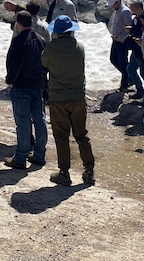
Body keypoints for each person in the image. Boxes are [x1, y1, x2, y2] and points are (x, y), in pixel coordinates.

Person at [41, 15, 95, 186]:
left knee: (61, 136)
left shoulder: (50, 49)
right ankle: (89, 170)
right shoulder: (80, 47)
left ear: (56, 32)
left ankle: (64, 172)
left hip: (58, 98)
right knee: (81, 135)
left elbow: (44, 64)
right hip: (78, 97)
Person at [3, 11, 47, 170]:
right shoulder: (40, 39)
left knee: (22, 122)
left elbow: (13, 63)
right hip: (38, 84)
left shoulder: (19, 40)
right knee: (40, 119)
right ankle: (39, 154)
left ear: (18, 23)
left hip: (22, 86)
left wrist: (10, 81)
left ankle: (20, 158)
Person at [107, 0, 134, 91]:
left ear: (118, 2)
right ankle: (130, 77)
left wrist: (121, 37)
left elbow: (129, 27)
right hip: (116, 39)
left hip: (122, 40)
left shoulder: (125, 11)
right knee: (113, 59)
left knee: (123, 62)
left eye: (113, 4)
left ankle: (125, 83)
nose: (112, 7)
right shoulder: (117, 11)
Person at [126, 0, 144, 102]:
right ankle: (140, 90)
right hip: (136, 50)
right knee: (130, 69)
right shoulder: (135, 19)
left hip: (142, 51)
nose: (131, 10)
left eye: (133, 8)